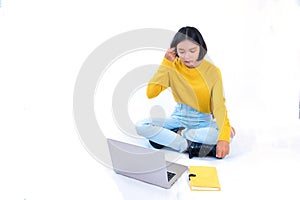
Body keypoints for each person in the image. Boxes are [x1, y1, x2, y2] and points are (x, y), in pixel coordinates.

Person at [135, 26, 235, 159]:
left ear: (201, 48)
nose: (187, 56)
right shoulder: (172, 66)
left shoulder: (213, 71)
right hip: (179, 117)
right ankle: (187, 146)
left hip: (202, 120)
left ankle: (170, 136)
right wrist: (166, 63)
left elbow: (219, 107)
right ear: (175, 51)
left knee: (228, 135)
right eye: (181, 51)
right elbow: (151, 92)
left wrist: (224, 138)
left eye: (192, 51)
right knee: (141, 125)